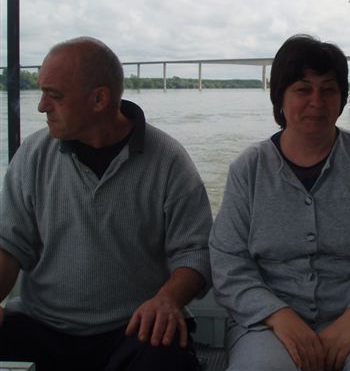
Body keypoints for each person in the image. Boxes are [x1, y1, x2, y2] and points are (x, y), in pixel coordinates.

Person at [0, 37, 213, 371]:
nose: (41, 106)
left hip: (135, 328)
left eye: (54, 95)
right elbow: (9, 246)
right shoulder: (33, 154)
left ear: (99, 99)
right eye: (42, 93)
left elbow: (196, 252)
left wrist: (167, 300)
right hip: (42, 325)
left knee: (169, 361)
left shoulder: (167, 159)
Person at [209, 34, 350, 371]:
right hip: (267, 323)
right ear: (280, 97)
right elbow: (228, 261)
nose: (317, 102)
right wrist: (278, 315)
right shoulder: (248, 169)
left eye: (329, 90)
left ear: (342, 98)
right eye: (303, 89)